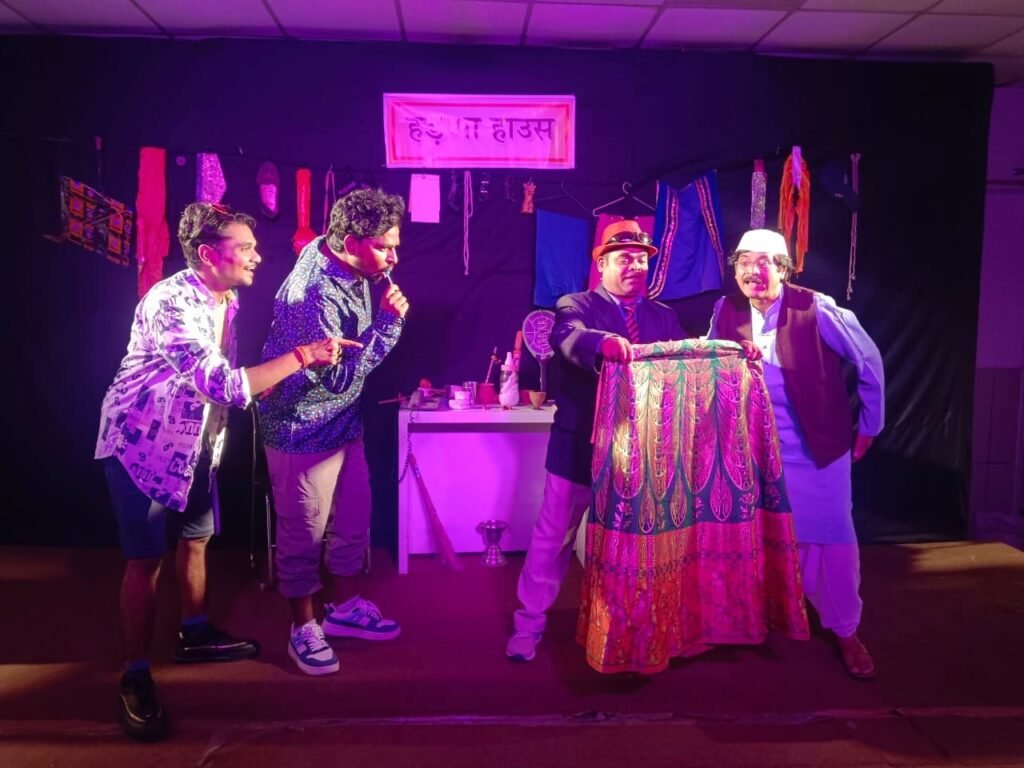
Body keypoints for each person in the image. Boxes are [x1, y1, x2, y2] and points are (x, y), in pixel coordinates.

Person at [96, 202, 357, 741]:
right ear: (209, 255)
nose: (257, 256)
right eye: (246, 248)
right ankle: (136, 675)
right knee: (145, 561)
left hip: (195, 445)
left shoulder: (227, 299)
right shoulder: (170, 302)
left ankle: (193, 633)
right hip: (142, 445)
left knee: (197, 540)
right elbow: (223, 385)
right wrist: (304, 356)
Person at [707, 228, 885, 680]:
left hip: (816, 449)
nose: (754, 270)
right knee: (757, 536)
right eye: (745, 261)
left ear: (783, 270)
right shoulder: (726, 311)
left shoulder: (816, 308)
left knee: (831, 541)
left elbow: (869, 363)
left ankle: (846, 630)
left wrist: (870, 426)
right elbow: (707, 367)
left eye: (765, 261)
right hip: (752, 454)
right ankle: (766, 615)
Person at [506, 219, 685, 662]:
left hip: (642, 451)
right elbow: (568, 338)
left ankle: (631, 628)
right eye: (624, 258)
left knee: (638, 543)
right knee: (555, 536)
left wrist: (729, 353)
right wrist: (603, 343)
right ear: (601, 264)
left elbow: (684, 365)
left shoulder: (663, 316)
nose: (635, 267)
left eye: (641, 259)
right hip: (579, 446)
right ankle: (529, 624)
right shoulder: (576, 305)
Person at [259, 188, 409, 676]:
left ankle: (342, 610)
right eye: (384, 247)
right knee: (302, 532)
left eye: (394, 245)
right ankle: (302, 627)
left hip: (342, 420)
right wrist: (388, 325)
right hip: (301, 426)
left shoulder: (343, 257)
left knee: (353, 521)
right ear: (349, 242)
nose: (394, 257)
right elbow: (339, 377)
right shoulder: (313, 296)